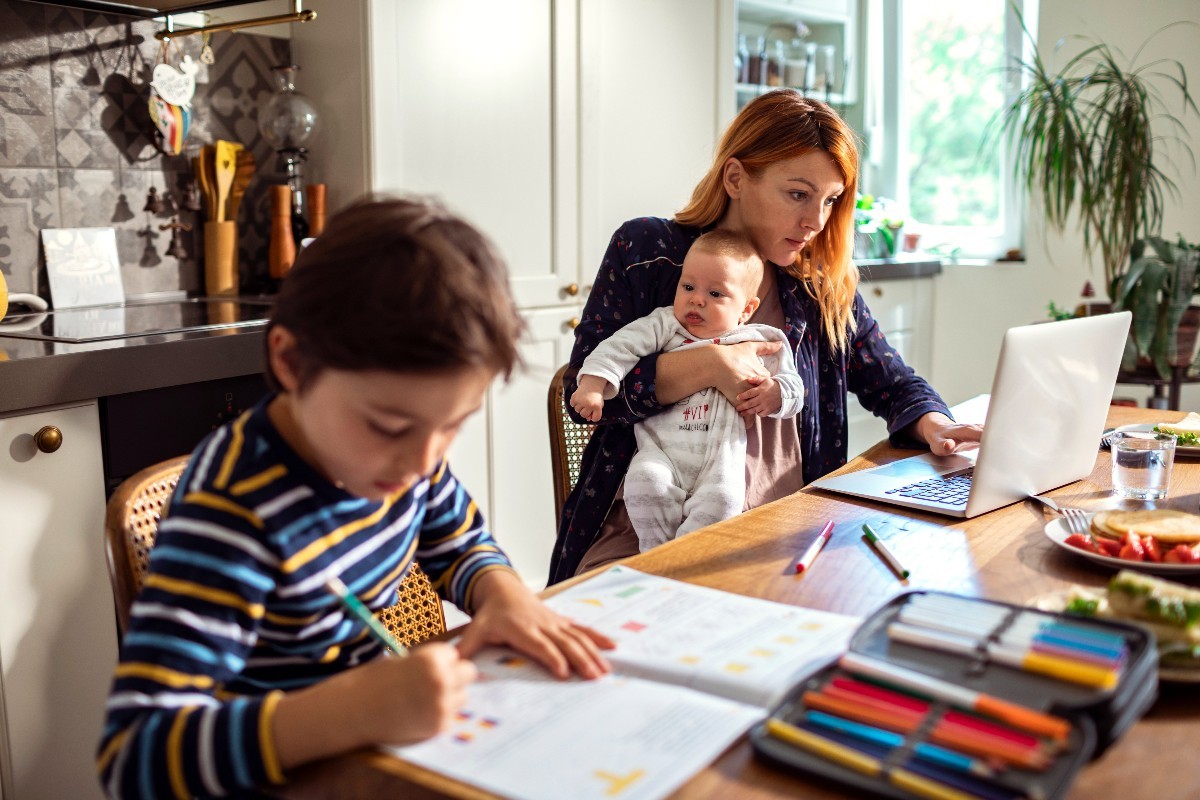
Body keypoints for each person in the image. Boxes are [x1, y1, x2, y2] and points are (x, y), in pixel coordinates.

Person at [96, 196, 614, 799]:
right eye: (390, 427)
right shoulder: (233, 516)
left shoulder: (400, 466)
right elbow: (134, 756)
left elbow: (459, 538)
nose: (423, 462)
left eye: (451, 426)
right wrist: (347, 712)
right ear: (290, 361)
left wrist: (500, 596)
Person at [549, 90, 983, 585]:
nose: (815, 221)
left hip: (786, 531)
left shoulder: (819, 283)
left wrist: (935, 425)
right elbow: (584, 393)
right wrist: (713, 364)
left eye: (830, 200)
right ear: (735, 178)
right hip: (649, 528)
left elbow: (893, 381)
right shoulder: (649, 251)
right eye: (798, 194)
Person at [570, 229, 803, 551]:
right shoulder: (664, 325)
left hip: (719, 459)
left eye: (716, 294)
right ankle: (657, 555)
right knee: (644, 483)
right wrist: (594, 385)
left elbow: (794, 388)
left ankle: (685, 559)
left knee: (723, 500)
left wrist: (776, 394)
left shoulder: (761, 339)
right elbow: (617, 348)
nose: (696, 299)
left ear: (747, 309)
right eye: (688, 286)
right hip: (660, 452)